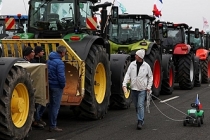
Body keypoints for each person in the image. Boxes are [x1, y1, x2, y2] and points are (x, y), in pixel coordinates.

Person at [122, 49, 153, 130]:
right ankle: (141, 118)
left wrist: (149, 87)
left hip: (142, 89)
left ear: (140, 57)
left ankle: (140, 121)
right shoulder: (132, 65)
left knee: (140, 105)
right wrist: (124, 84)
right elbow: (127, 75)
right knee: (136, 106)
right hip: (134, 89)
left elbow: (150, 77)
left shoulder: (146, 66)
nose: (135, 56)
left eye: (136, 55)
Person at [47, 45, 66, 132]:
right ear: (62, 53)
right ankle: (53, 125)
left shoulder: (49, 60)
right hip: (57, 86)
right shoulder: (60, 63)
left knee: (50, 105)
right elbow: (61, 76)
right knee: (55, 106)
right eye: (64, 53)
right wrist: (63, 85)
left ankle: (49, 123)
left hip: (49, 84)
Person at [31, 46, 47, 129]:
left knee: (42, 103)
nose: (43, 52)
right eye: (41, 51)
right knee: (38, 103)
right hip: (37, 84)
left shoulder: (43, 60)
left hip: (42, 83)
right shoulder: (33, 62)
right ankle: (36, 120)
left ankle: (38, 118)